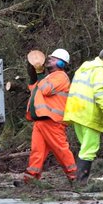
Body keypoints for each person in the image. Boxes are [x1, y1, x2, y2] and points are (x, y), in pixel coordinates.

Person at [62, 47, 103, 184]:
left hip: (76, 112)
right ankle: (81, 183)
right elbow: (99, 92)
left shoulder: (85, 67)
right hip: (89, 114)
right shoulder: (101, 70)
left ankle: (78, 181)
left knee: (85, 147)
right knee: (89, 148)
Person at [23, 48, 77, 183]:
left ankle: (75, 177)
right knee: (37, 151)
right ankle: (30, 180)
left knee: (61, 150)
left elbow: (46, 90)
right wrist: (33, 71)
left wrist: (40, 73)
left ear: (61, 64)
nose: (49, 60)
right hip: (41, 121)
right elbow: (33, 87)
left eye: (54, 59)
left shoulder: (61, 76)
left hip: (52, 120)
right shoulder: (48, 77)